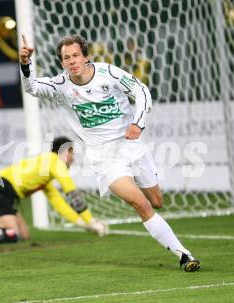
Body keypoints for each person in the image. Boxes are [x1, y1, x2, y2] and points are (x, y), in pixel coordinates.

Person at [19, 34, 200, 272]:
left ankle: (168, 234)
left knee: (156, 202)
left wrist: (138, 123)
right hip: (104, 156)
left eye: (75, 55)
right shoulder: (61, 85)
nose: (72, 61)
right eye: (66, 58)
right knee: (141, 204)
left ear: (86, 57)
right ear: (62, 63)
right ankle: (184, 255)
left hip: (131, 145)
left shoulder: (108, 74)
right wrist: (25, 63)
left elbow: (141, 90)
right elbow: (32, 87)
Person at [0, 137, 109, 250]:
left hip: (2, 192)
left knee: (24, 235)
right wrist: (91, 221)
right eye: (72, 154)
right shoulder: (55, 162)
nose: (73, 159)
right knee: (13, 235)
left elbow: (58, 203)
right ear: (65, 152)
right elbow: (71, 193)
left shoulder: (46, 170)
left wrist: (83, 224)